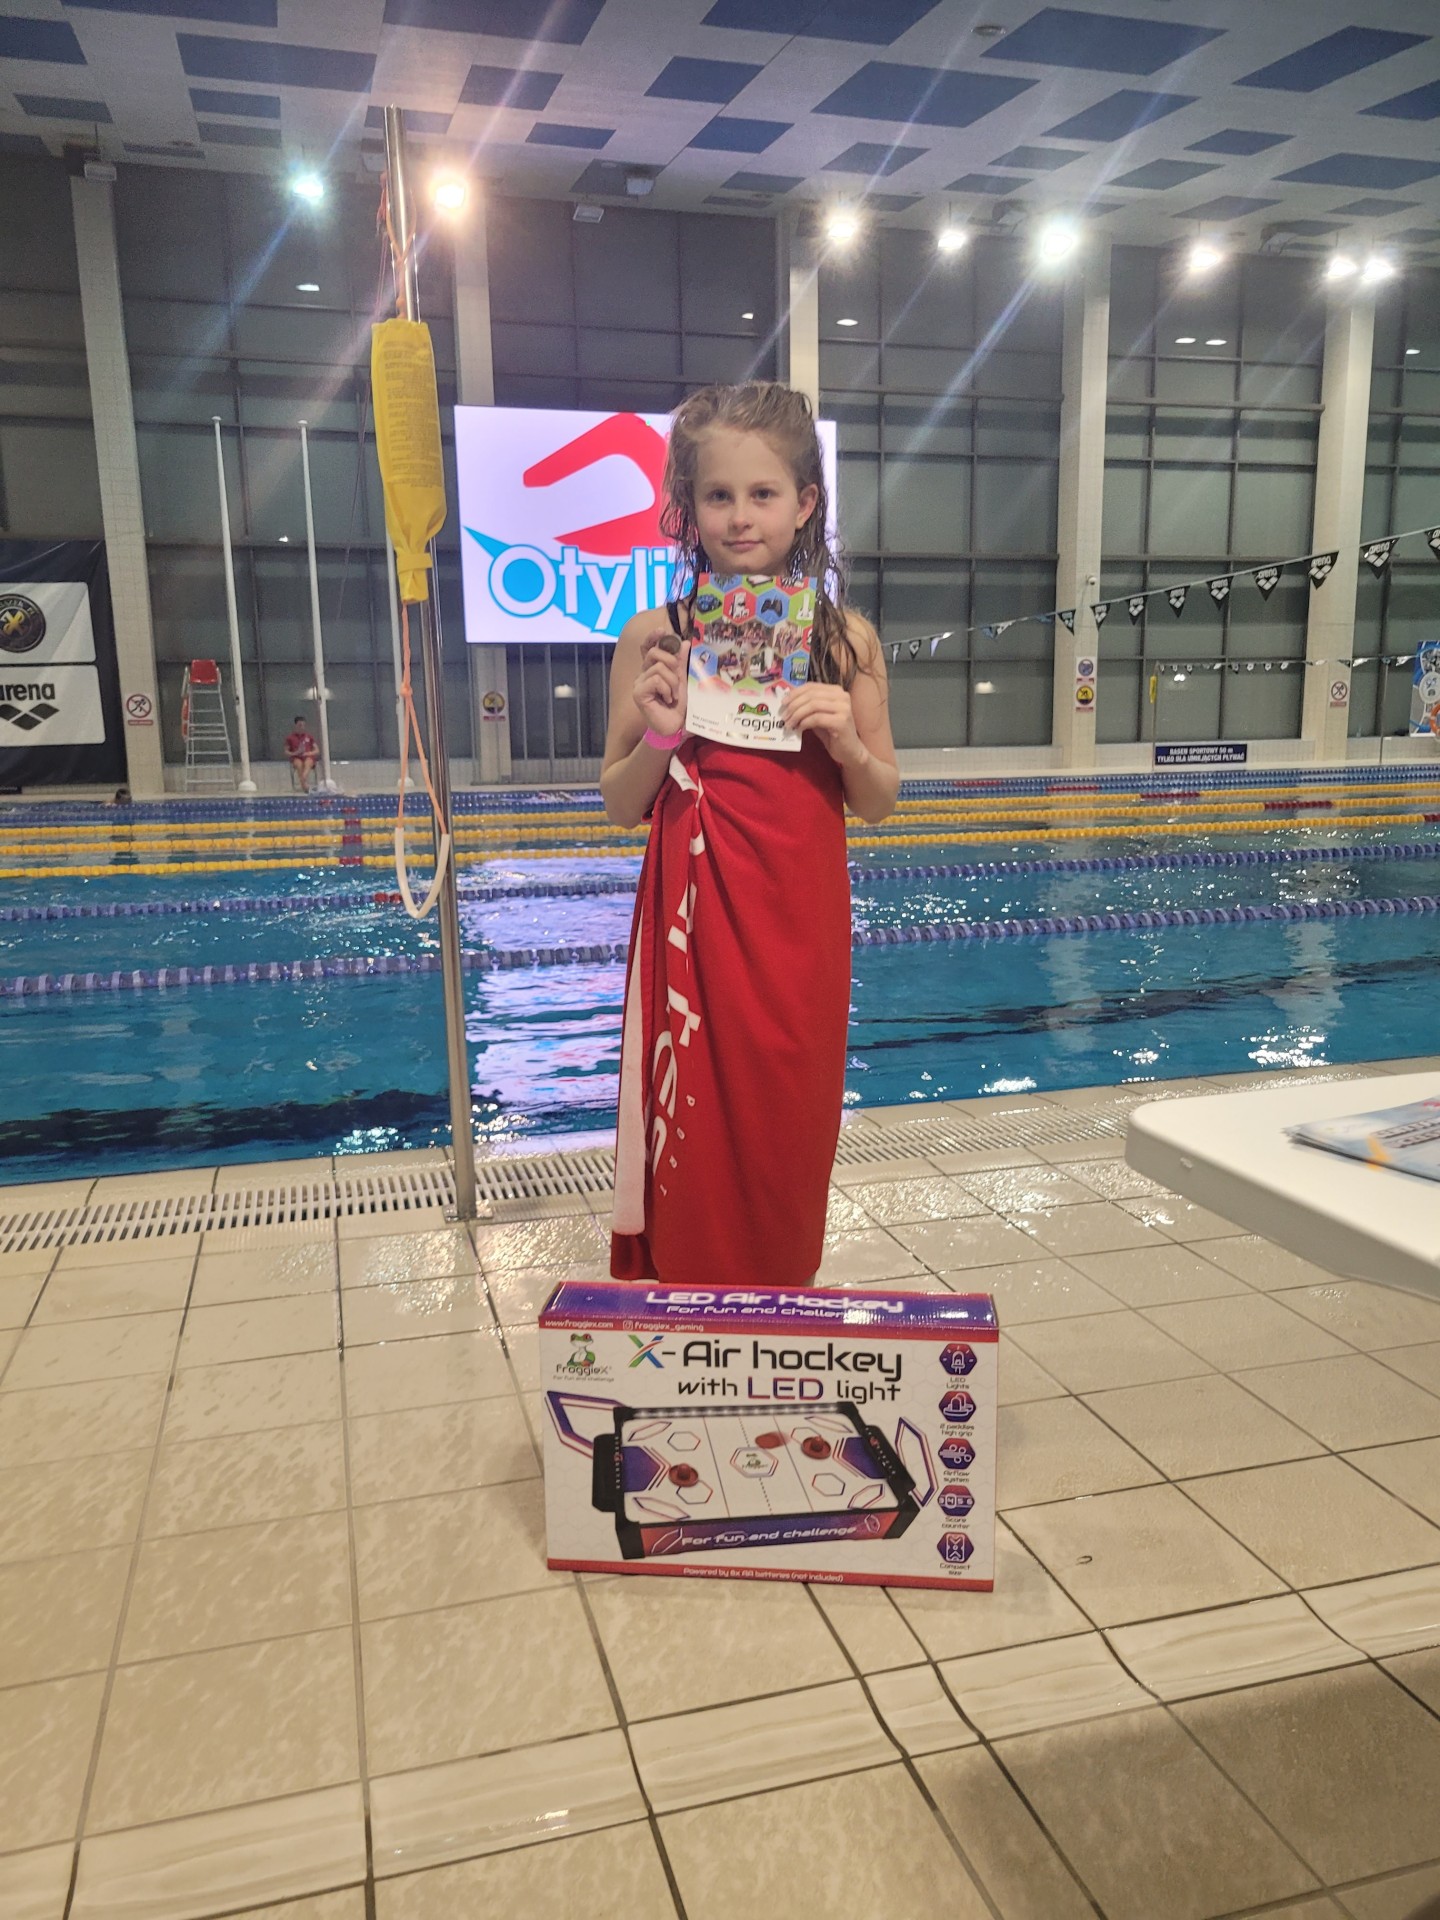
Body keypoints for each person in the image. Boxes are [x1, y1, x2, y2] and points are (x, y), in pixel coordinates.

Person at [601, 381, 899, 1289]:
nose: (740, 517)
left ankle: (777, 1300)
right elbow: (618, 801)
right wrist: (662, 735)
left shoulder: (845, 642)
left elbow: (880, 798)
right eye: (718, 495)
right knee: (689, 1123)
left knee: (787, 1127)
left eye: (763, 494)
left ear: (804, 503)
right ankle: (690, 1301)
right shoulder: (656, 638)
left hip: (798, 924)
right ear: (688, 508)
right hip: (691, 922)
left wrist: (847, 743)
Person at [284, 715, 319, 793]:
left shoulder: (309, 737)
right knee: (299, 764)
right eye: (300, 725)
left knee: (308, 762)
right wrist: (295, 753)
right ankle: (304, 785)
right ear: (295, 726)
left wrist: (308, 753)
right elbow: (286, 752)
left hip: (308, 757)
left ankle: (303, 779)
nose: (302, 727)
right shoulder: (290, 738)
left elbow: (317, 750)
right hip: (296, 757)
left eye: (303, 725)